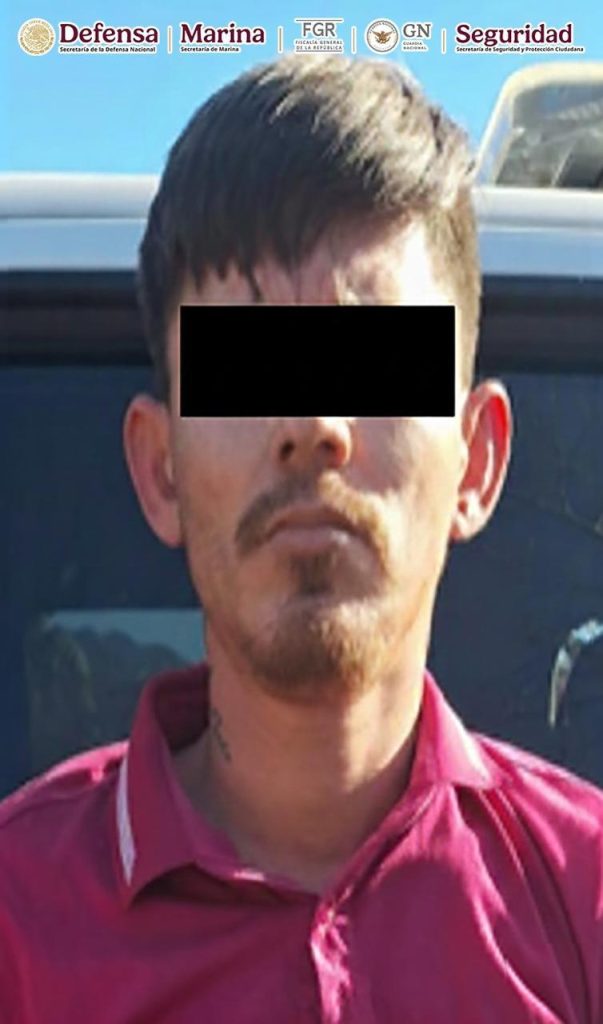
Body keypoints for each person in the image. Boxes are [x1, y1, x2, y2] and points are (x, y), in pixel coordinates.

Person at [1, 53, 602, 1024]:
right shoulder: (16, 919)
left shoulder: (587, 899)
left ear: (476, 461)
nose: (313, 423)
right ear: (160, 470)